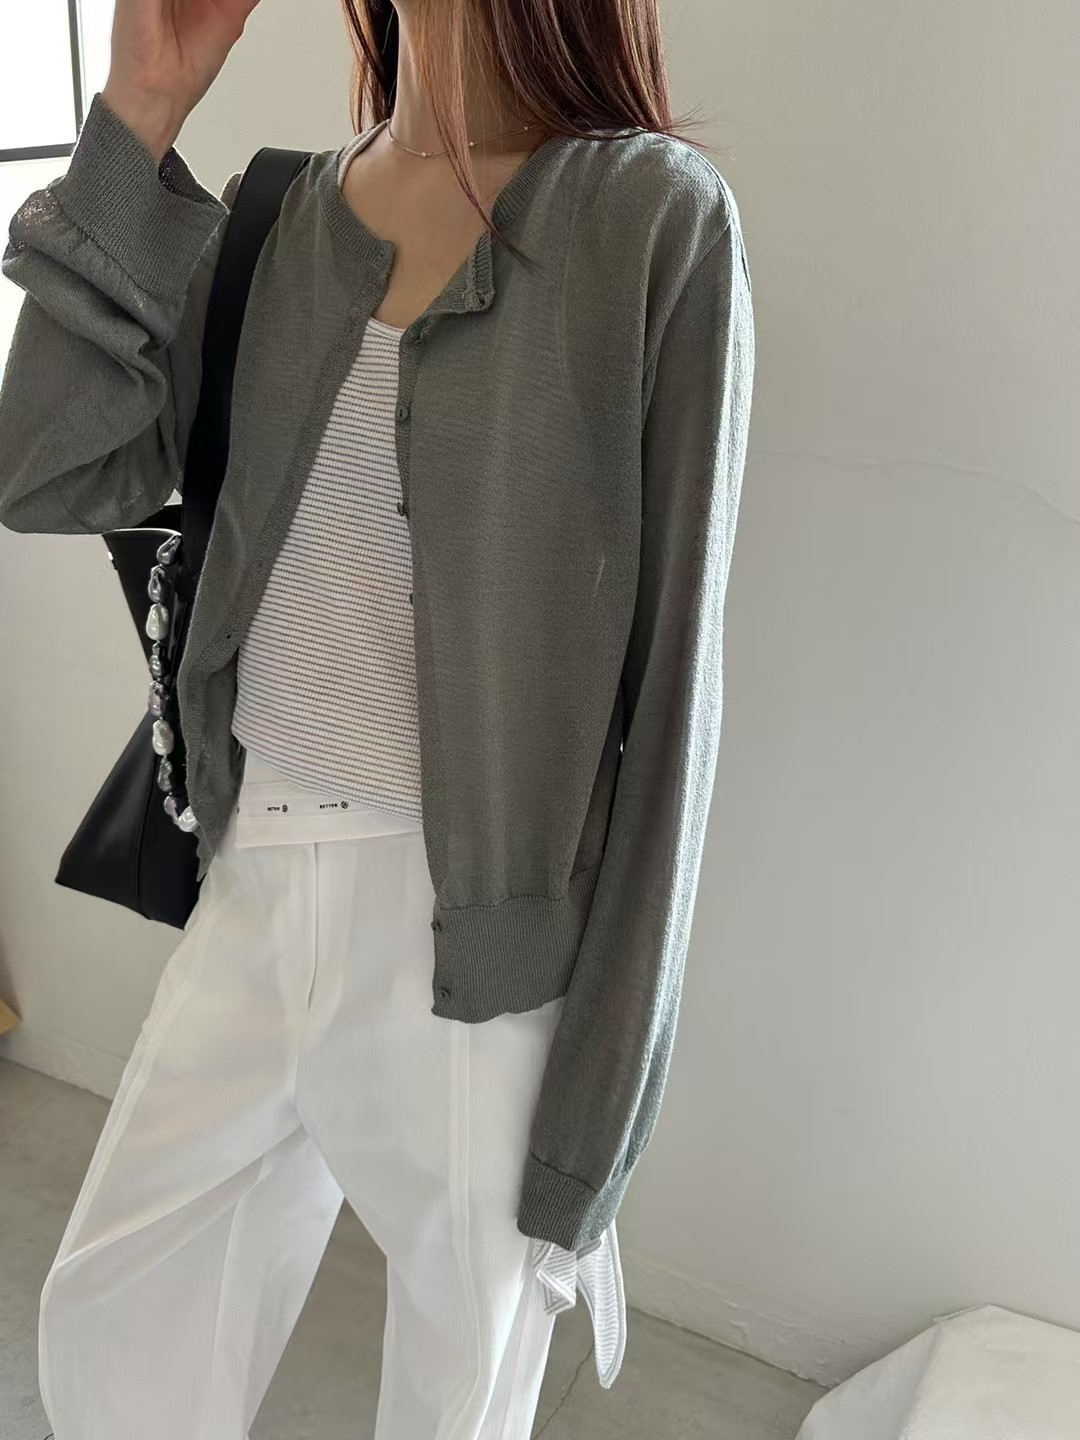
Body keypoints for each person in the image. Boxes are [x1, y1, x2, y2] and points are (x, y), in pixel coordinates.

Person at [0, 0, 755, 1433]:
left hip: (479, 958)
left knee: (451, 1404)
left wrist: (595, 1114)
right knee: (110, 1332)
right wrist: (139, 117)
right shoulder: (282, 214)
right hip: (254, 886)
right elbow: (46, 468)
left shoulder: (651, 221)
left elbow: (676, 707)